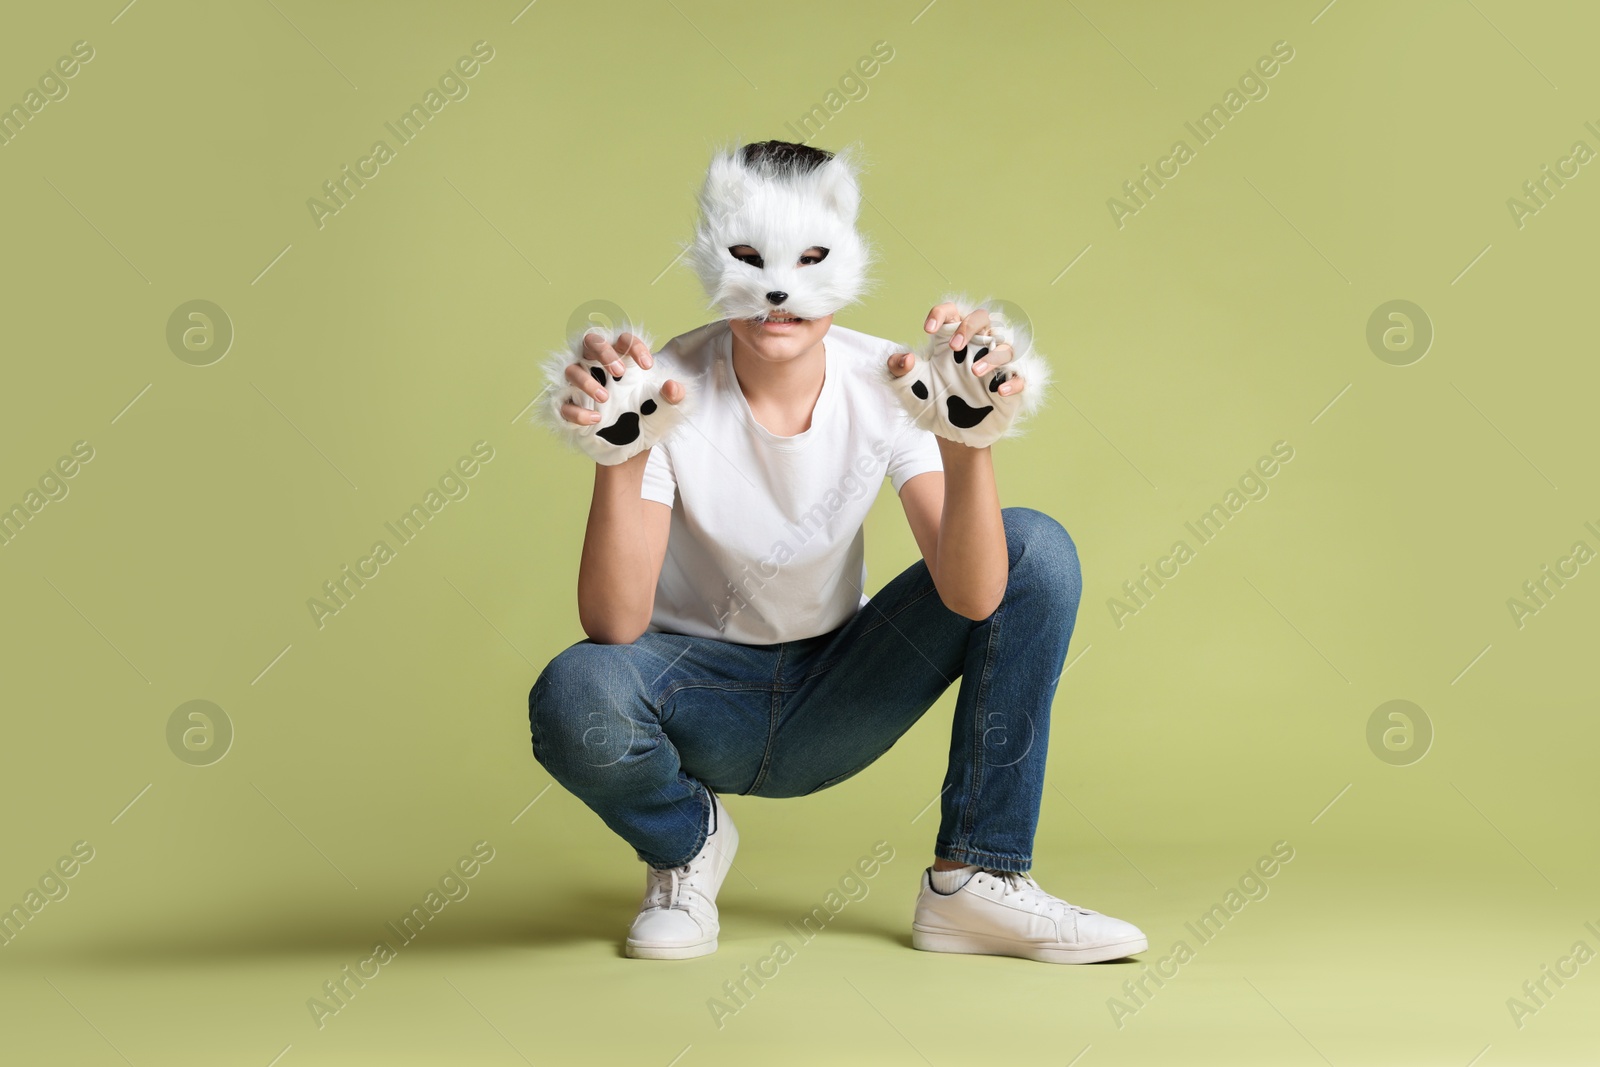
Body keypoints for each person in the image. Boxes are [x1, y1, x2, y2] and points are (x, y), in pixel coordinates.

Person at [526, 138, 1146, 964]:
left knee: (1033, 547)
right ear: (713, 256)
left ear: (846, 259)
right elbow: (614, 622)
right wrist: (621, 453)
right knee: (576, 690)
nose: (779, 292)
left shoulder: (888, 379)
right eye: (750, 259)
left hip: (841, 688)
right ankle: (685, 848)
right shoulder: (667, 382)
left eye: (809, 260)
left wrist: (968, 443)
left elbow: (973, 595)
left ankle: (975, 880)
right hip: (696, 695)